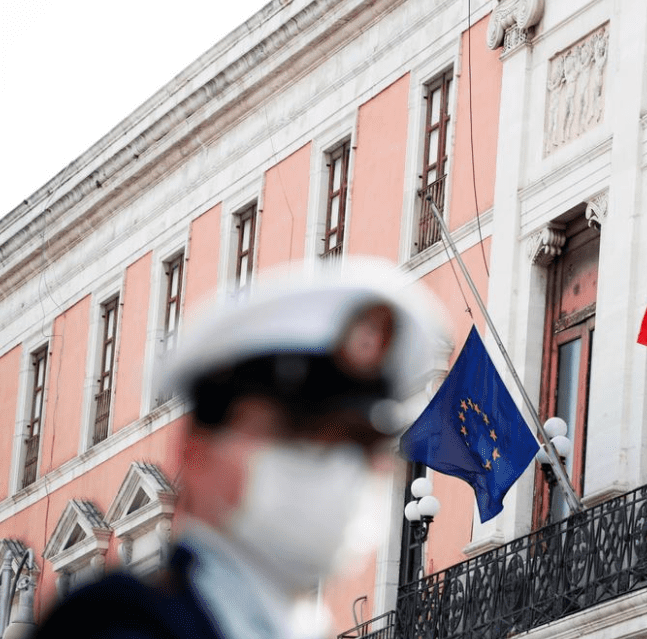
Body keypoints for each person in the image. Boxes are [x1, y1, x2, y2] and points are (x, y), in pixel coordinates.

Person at [34, 259, 446, 639]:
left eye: (360, 445)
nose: (337, 467)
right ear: (195, 450)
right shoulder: (117, 627)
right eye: (296, 434)